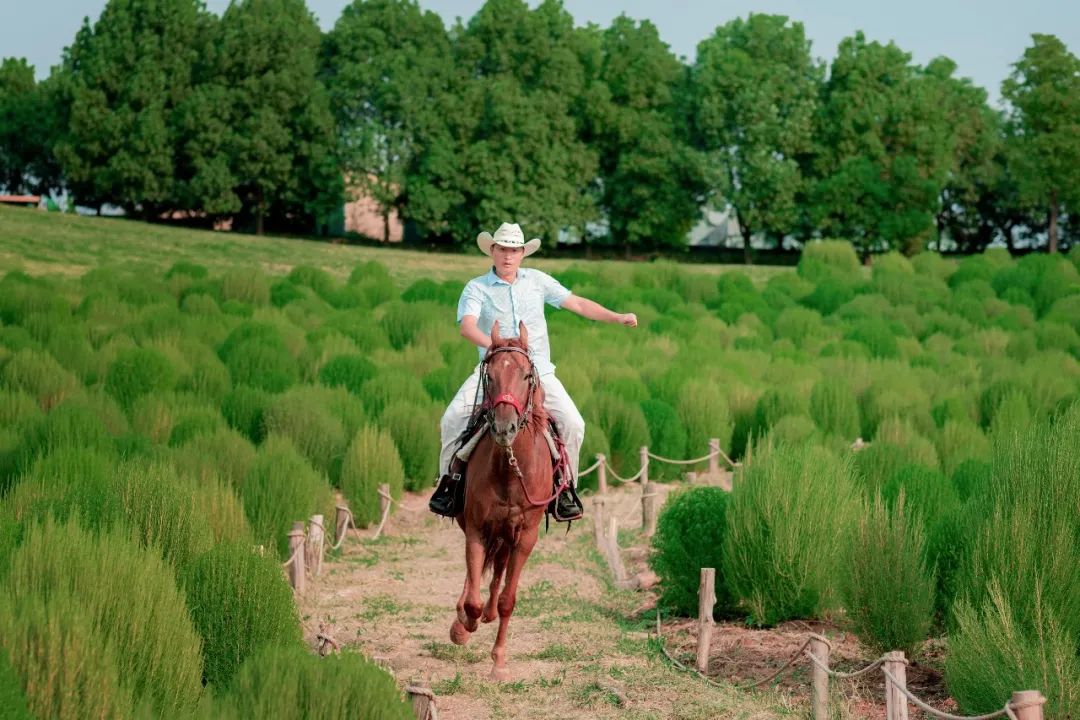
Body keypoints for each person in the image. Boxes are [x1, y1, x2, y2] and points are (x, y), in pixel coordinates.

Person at [429, 222, 638, 520]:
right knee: (451, 419)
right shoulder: (476, 287)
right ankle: (449, 486)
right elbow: (467, 327)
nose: (508, 256)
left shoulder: (538, 281)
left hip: (538, 371)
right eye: (502, 249)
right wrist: (499, 350)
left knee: (574, 424)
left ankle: (565, 490)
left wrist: (617, 317)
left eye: (514, 250)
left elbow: (577, 303)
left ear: (522, 253)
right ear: (492, 250)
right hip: (494, 369)